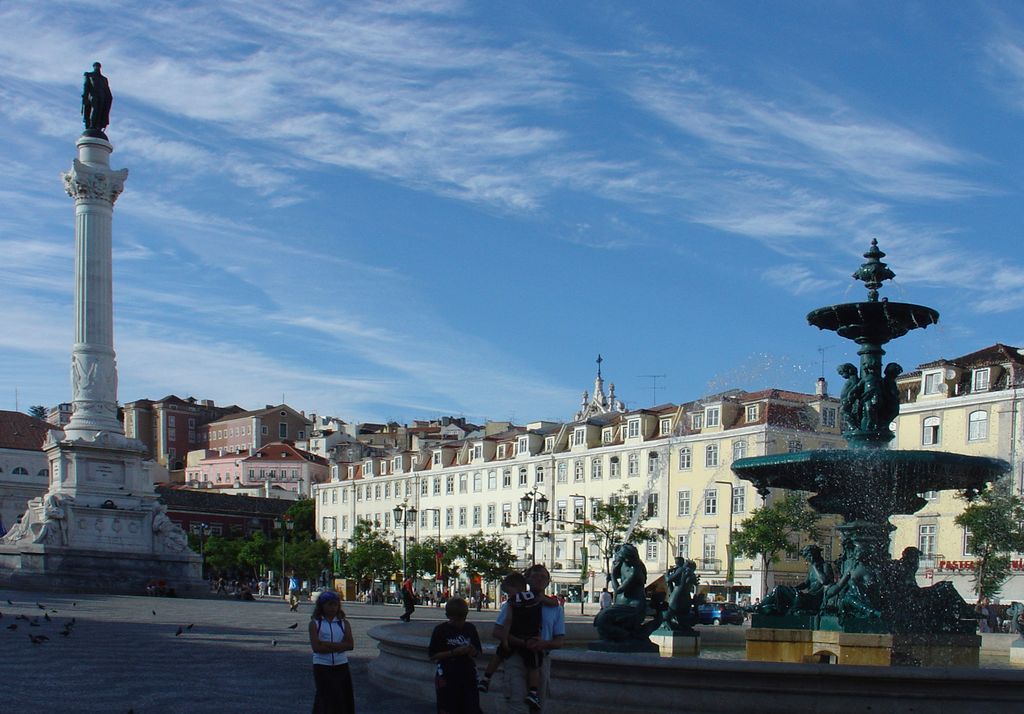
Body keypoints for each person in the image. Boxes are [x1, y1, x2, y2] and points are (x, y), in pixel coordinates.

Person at [491, 565, 565, 713]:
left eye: (543, 576)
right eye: (535, 576)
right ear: (527, 580)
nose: (539, 579)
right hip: (516, 657)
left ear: (548, 581)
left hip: (541, 659)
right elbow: (497, 631)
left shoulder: (556, 609)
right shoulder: (515, 602)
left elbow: (560, 641)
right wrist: (522, 642)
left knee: (538, 706)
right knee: (517, 704)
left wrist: (544, 644)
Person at [429, 597, 483, 714]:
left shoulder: (470, 628)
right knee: (447, 706)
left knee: (471, 706)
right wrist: (453, 652)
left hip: (468, 674)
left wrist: (472, 651)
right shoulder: (441, 630)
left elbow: (478, 652)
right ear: (448, 616)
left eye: (462, 619)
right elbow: (433, 655)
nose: (460, 623)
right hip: (447, 674)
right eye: (456, 620)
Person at [308, 591, 354, 714]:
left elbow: (350, 645)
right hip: (322, 664)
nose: (333, 608)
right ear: (322, 606)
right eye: (329, 604)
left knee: (343, 697)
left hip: (341, 664)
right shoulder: (315, 624)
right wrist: (340, 646)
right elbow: (316, 648)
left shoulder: (344, 623)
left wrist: (327, 644)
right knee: (324, 697)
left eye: (335, 604)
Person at [81, 62, 113, 136]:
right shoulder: (89, 75)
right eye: (96, 66)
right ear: (93, 67)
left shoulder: (104, 79)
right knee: (94, 110)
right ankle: (91, 125)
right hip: (93, 96)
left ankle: (98, 126)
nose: (97, 68)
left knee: (100, 111)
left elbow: (107, 90)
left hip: (102, 97)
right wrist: (85, 97)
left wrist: (109, 98)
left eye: (98, 66)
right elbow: (86, 86)